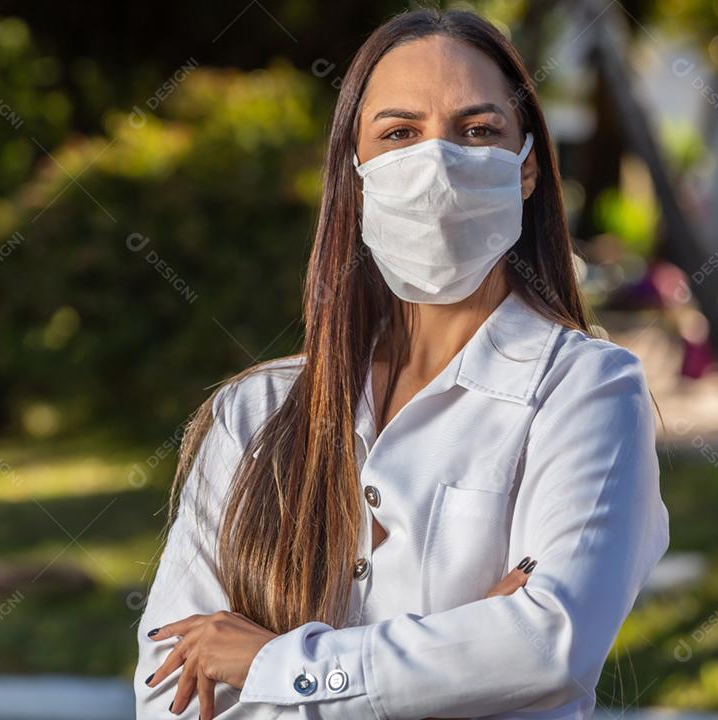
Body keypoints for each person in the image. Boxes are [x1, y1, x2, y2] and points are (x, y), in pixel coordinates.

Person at [134, 7, 670, 719]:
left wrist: (270, 663)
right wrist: (465, 654)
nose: (439, 162)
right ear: (356, 176)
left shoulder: (588, 391)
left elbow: (548, 646)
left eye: (479, 131)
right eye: (399, 134)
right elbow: (171, 693)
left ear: (528, 169)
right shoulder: (253, 413)